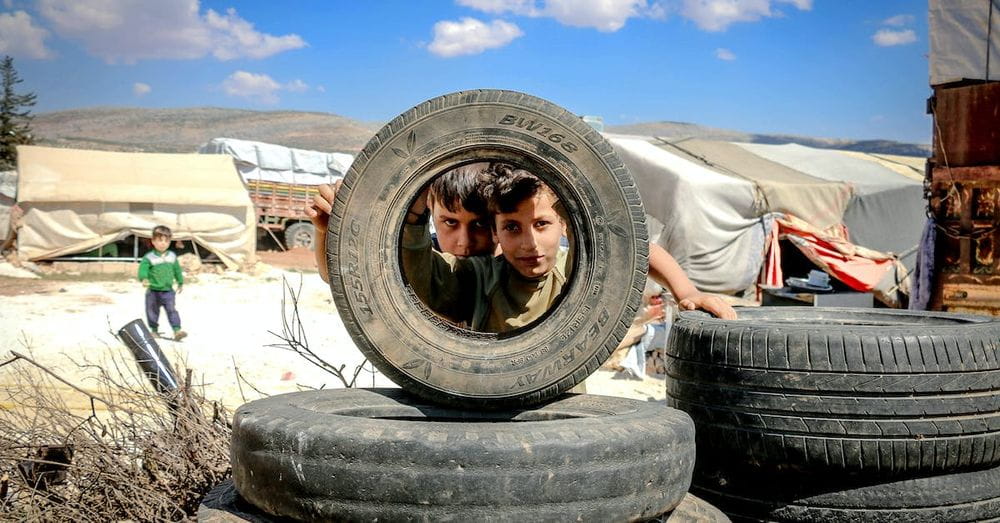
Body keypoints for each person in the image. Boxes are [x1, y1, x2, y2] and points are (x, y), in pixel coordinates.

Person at [306, 162, 497, 284]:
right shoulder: (420, 253)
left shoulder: (513, 264)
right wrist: (328, 232)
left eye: (480, 224)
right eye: (450, 222)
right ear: (429, 205)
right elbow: (337, 276)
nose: (464, 242)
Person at [138, 225, 187, 340]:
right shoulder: (149, 257)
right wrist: (144, 278)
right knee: (152, 311)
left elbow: (177, 270)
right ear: (153, 241)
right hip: (153, 291)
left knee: (171, 310)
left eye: (166, 240)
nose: (163, 243)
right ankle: (154, 331)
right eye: (160, 240)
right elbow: (143, 269)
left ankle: (177, 330)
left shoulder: (172, 256)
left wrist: (180, 282)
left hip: (168, 291)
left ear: (170, 242)